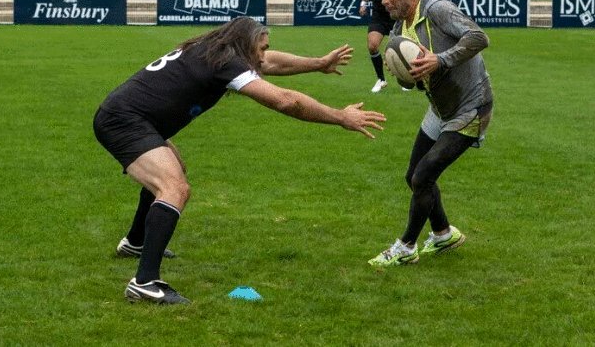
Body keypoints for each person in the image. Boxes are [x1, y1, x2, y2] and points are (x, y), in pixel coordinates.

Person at [94, 17, 387, 304]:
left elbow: (269, 62)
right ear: (245, 45)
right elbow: (285, 100)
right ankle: (144, 283)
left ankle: (135, 242)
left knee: (171, 171)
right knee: (174, 187)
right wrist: (340, 116)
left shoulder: (214, 49)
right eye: (260, 48)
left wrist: (318, 64)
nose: (262, 55)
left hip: (132, 115)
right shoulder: (225, 62)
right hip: (125, 121)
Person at [367, 0, 493, 267]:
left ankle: (406, 247)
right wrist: (400, 72)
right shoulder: (398, 31)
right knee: (413, 176)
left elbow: (478, 37)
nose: (383, 0)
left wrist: (440, 59)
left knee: (424, 176)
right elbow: (409, 82)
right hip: (439, 109)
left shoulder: (437, 9)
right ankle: (443, 234)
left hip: (470, 108)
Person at [358, 0, 393, 93]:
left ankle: (406, 79)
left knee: (399, 50)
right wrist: (363, 4)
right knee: (372, 46)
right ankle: (381, 79)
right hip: (378, 16)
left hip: (394, 16)